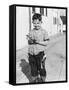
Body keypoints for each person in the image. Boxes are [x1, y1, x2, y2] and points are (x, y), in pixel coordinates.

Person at [27, 13, 49, 83]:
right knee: (33, 69)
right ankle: (34, 80)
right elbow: (29, 42)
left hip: (40, 54)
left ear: (41, 22)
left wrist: (38, 41)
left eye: (38, 23)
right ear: (32, 22)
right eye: (35, 23)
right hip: (31, 54)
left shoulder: (44, 32)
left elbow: (46, 42)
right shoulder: (31, 32)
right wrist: (30, 40)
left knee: (41, 68)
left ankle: (42, 79)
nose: (36, 25)